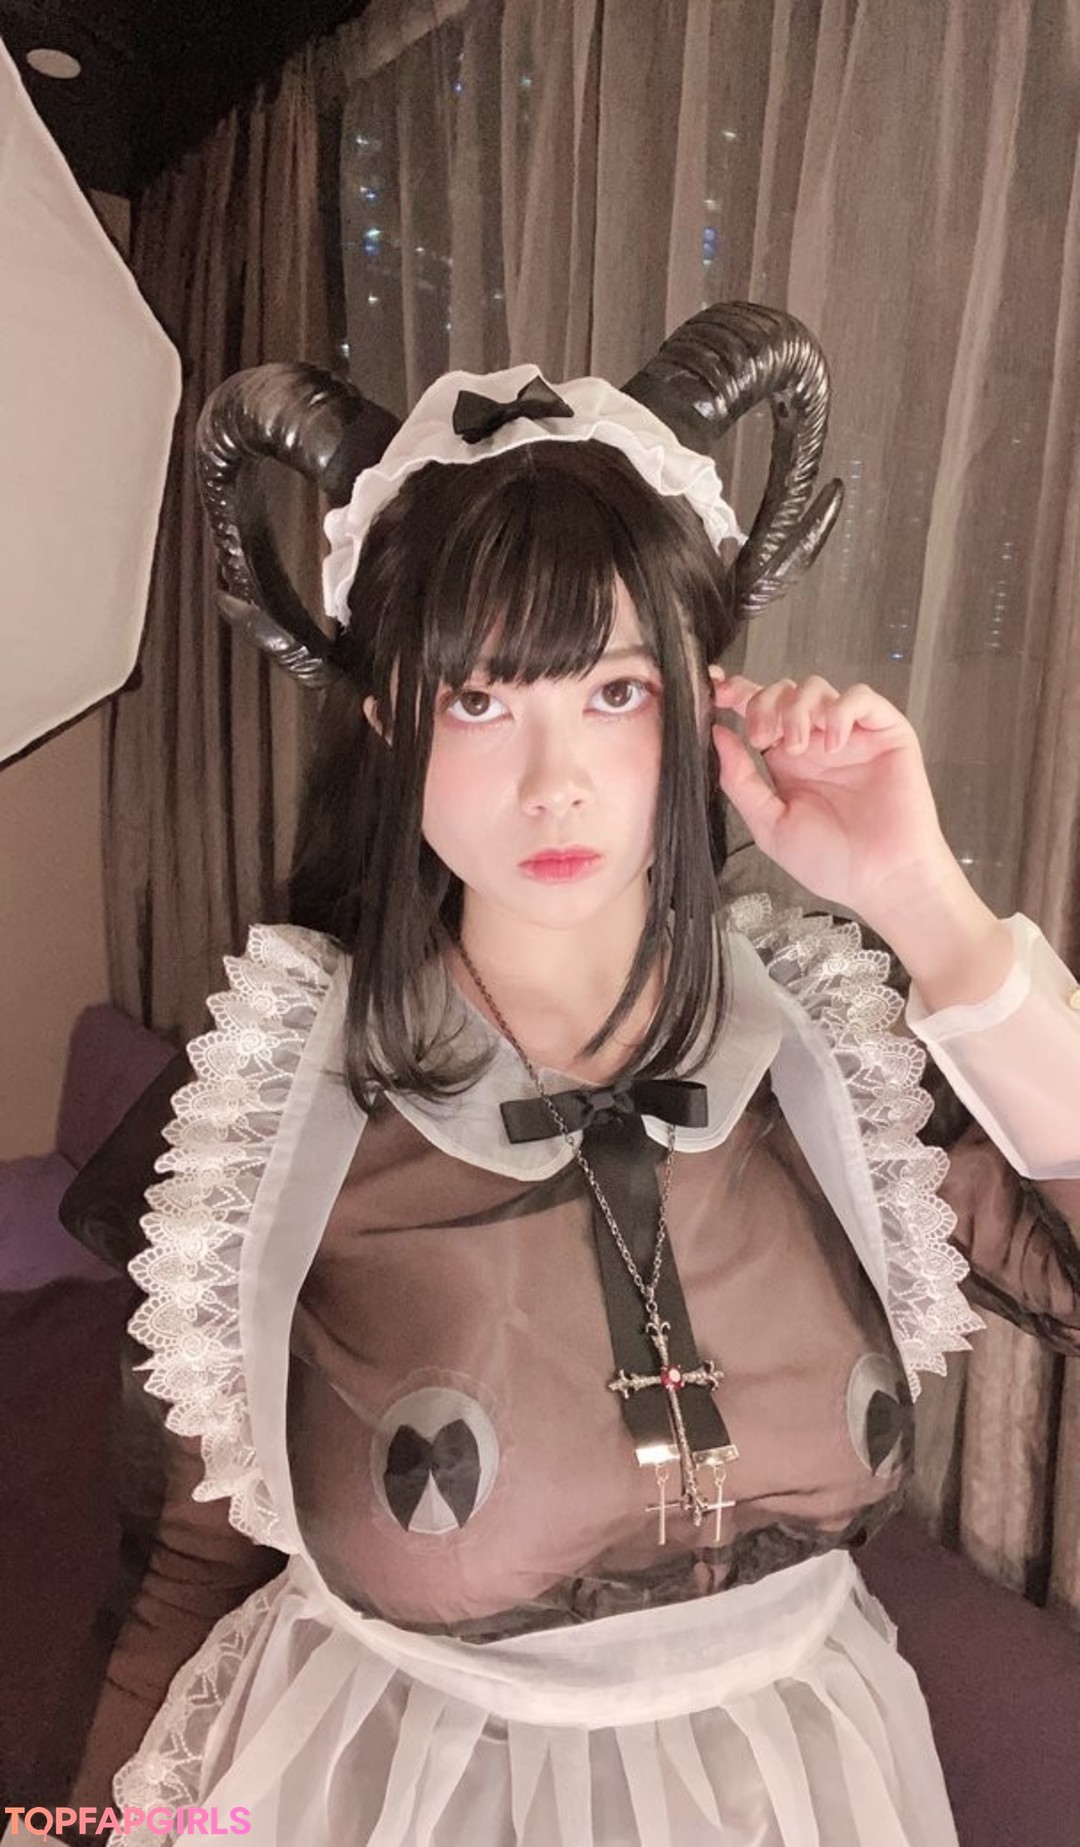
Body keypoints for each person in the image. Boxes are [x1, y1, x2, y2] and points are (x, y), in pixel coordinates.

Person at [68, 329, 1080, 1847]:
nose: (557, 781)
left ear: (699, 696)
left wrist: (925, 904)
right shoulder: (270, 1101)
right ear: (388, 720)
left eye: (615, 690)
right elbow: (180, 1584)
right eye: (479, 701)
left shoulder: (833, 1055)